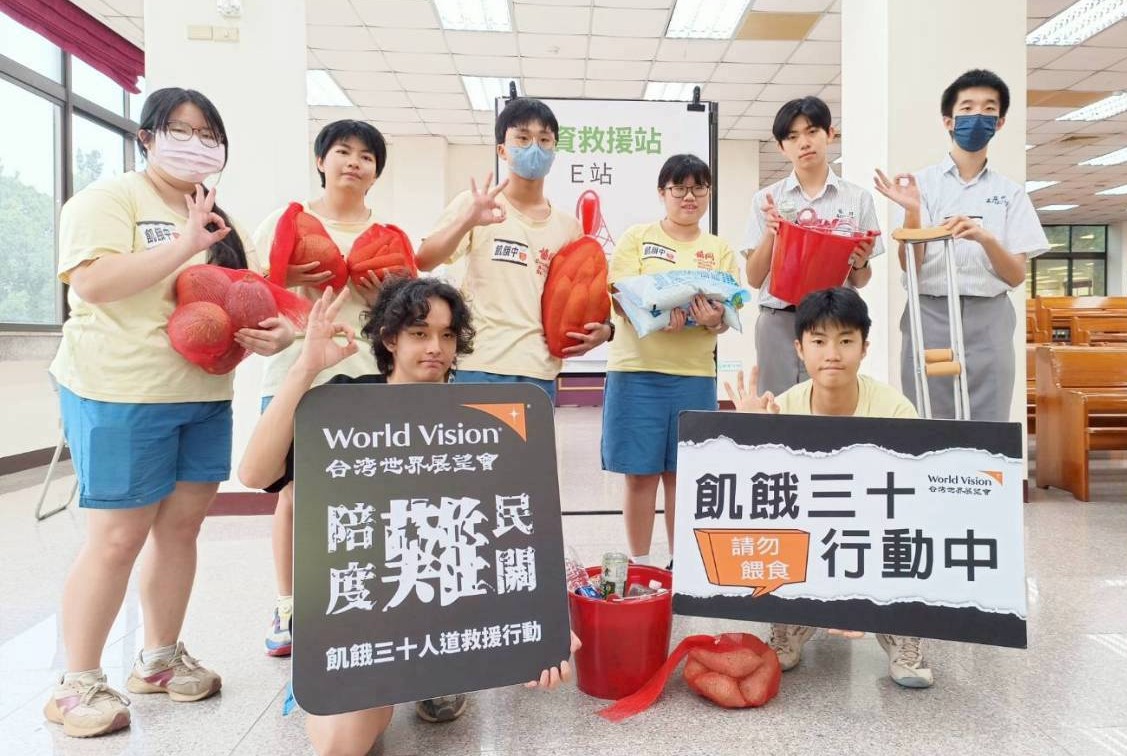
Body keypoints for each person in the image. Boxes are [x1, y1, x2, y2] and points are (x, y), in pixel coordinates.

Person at [43, 87, 295, 738]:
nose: (196, 145)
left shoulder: (219, 217)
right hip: (120, 390)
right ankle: (76, 682)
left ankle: (158, 659)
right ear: (147, 137)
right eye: (180, 131)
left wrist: (279, 334)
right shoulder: (109, 200)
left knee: (181, 529)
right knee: (117, 537)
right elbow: (93, 282)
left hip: (201, 396)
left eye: (209, 135)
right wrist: (184, 243)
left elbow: (251, 297)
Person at [238, 281, 580, 756]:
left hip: (446, 610)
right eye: (420, 333)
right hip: (360, 612)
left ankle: (438, 676)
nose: (436, 347)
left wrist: (545, 621)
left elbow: (512, 528)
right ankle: (385, 683)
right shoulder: (343, 405)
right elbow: (255, 474)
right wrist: (305, 368)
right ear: (389, 338)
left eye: (447, 334)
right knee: (341, 742)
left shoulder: (480, 422)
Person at [725, 287, 932, 689]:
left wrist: (855, 592)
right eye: (819, 341)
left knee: (910, 532)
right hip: (810, 530)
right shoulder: (782, 408)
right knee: (770, 525)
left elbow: (913, 502)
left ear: (864, 348)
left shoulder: (895, 410)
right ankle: (791, 619)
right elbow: (756, 502)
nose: (832, 354)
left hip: (872, 531)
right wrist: (749, 439)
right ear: (799, 349)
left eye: (846, 341)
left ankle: (901, 629)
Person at [252, 119, 393, 659]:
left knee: (365, 498)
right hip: (296, 374)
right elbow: (250, 290)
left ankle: (358, 597)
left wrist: (385, 296)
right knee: (293, 494)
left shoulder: (387, 235)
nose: (354, 162)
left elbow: (406, 315)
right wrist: (288, 280)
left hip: (365, 375)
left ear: (376, 172)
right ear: (320, 160)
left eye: (366, 156)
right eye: (342, 151)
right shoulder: (285, 223)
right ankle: (289, 604)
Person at [874, 69, 1049, 421]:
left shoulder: (1010, 193)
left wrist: (985, 238)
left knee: (989, 418)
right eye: (967, 108)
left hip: (989, 316)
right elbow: (910, 266)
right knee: (928, 416)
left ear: (1000, 122)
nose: (977, 116)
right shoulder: (920, 185)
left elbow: (1016, 276)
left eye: (988, 109)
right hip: (930, 311)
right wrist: (913, 213)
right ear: (948, 121)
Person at [416, 97, 611, 402]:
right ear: (502, 149)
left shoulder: (568, 227)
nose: (534, 147)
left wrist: (605, 330)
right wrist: (467, 221)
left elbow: (581, 296)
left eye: (544, 139)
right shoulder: (476, 204)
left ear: (554, 149)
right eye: (522, 138)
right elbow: (424, 260)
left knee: (533, 439)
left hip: (539, 369)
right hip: (480, 364)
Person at [602, 154, 737, 567]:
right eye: (679, 188)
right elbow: (619, 298)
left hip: (693, 376)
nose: (689, 197)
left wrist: (713, 320)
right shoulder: (637, 238)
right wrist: (658, 316)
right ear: (662, 193)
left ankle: (683, 566)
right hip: (636, 373)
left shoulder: (718, 249)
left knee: (684, 475)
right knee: (640, 474)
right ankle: (641, 565)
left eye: (699, 188)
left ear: (709, 193)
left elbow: (727, 315)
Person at [742, 96, 881, 397]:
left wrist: (860, 261)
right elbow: (753, 278)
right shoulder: (766, 200)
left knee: (831, 404)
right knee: (776, 406)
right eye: (792, 137)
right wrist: (772, 233)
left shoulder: (858, 199)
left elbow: (860, 279)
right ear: (781, 147)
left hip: (835, 321)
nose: (804, 143)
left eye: (812, 131)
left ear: (830, 134)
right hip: (779, 320)